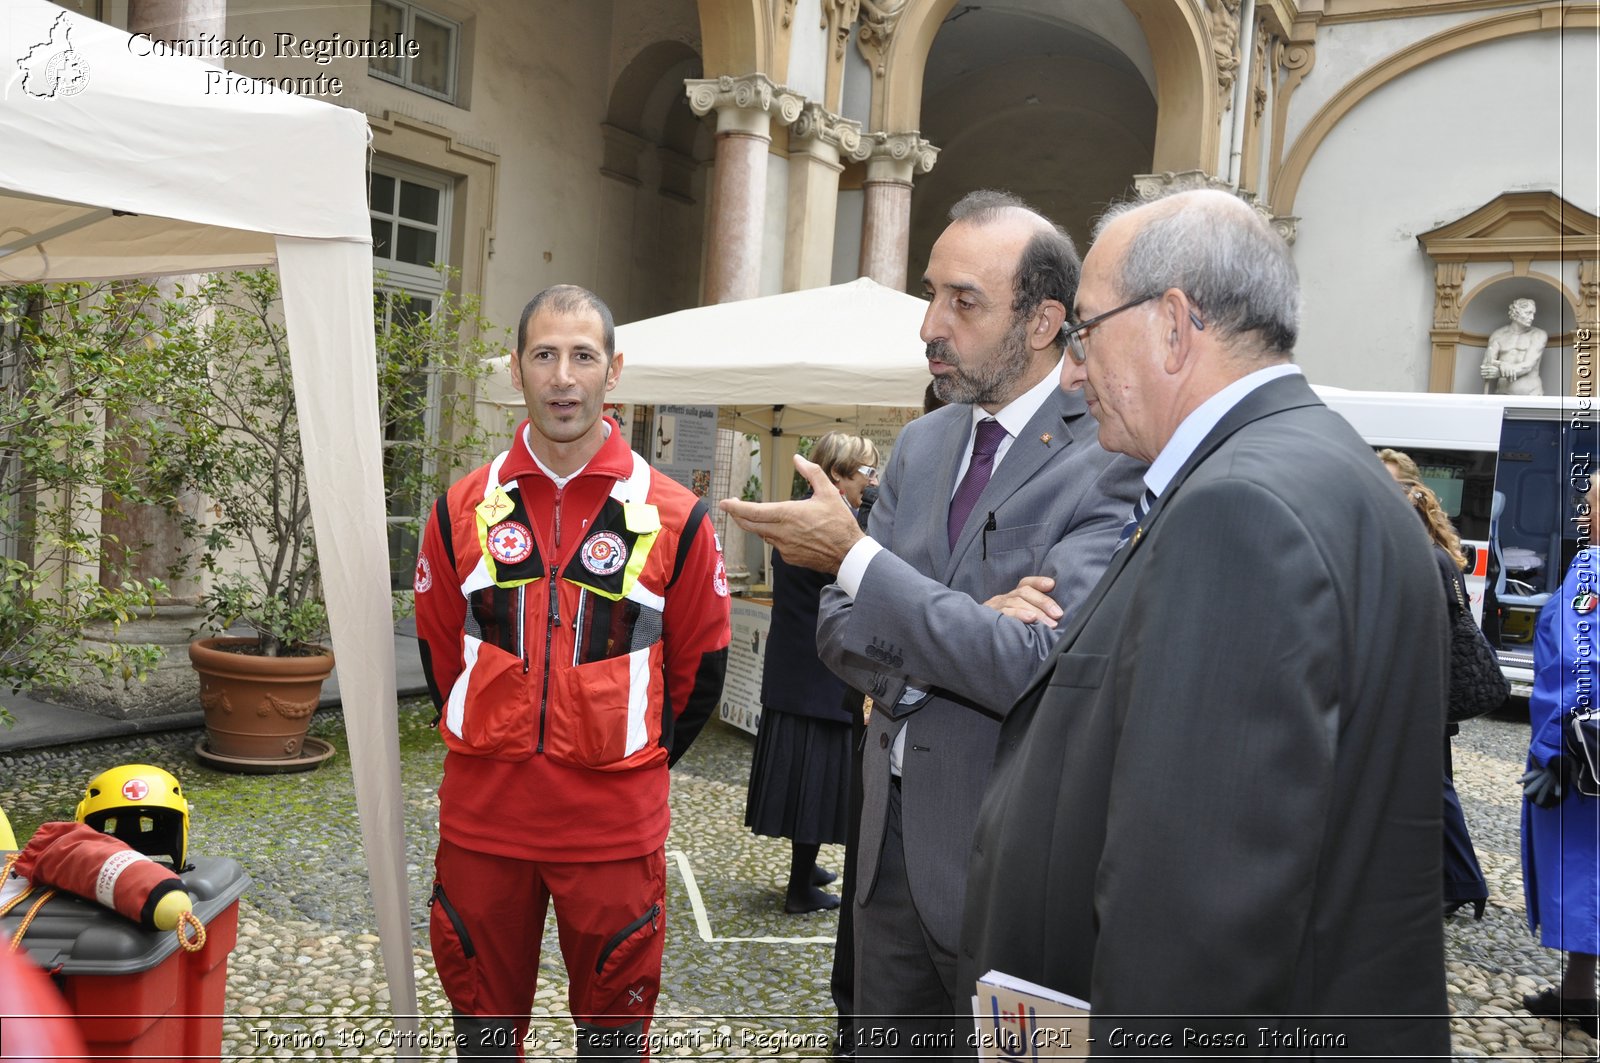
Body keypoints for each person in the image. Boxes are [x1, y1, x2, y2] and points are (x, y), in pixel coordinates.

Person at [960, 188, 1450, 1055]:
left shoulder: (1240, 511)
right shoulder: (1328, 468)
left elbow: (1195, 918)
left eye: (1084, 331)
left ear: (1174, 326)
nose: (1071, 371)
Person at [721, 189, 1144, 1055]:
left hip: (1016, 871)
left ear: (1041, 323)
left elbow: (1027, 660)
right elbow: (839, 629)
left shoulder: (1108, 456)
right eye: (930, 292)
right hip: (886, 854)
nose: (928, 325)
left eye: (963, 300)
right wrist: (948, 633)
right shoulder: (923, 444)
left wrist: (860, 561)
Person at [413, 284, 731, 1060]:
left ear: (612, 371)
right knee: (483, 1040)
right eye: (545, 355)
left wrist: (626, 765)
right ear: (518, 369)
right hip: (484, 830)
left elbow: (699, 674)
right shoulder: (461, 506)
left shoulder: (675, 513)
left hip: (613, 837)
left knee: (615, 1046)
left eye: (582, 356)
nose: (563, 376)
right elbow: (436, 653)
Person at [745, 432, 879, 915]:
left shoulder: (812, 513)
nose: (873, 480)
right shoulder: (827, 523)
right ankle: (800, 888)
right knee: (814, 783)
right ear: (837, 475)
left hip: (800, 668)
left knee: (811, 778)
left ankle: (807, 869)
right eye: (866, 471)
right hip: (813, 672)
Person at [1519, 474, 1599, 1037]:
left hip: (1582, 758)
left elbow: (1576, 665)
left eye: (1591, 505)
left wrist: (1552, 750)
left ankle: (1579, 997)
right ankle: (1578, 990)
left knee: (1580, 870)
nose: (1585, 515)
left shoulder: (1592, 571)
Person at [1393, 471, 1492, 920]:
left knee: (1435, 788)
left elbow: (1426, 632)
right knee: (1434, 786)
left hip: (1426, 691)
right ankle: (1454, 878)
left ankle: (1463, 879)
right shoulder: (1437, 556)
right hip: (1431, 689)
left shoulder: (1426, 559)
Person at [1480, 297, 1548, 396]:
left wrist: (1499, 372)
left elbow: (1528, 365)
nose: (1532, 318)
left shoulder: (1538, 335)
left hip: (1530, 393)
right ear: (1516, 312)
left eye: (1533, 314)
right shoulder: (1498, 335)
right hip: (1502, 392)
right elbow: (1487, 362)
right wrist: (1499, 365)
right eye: (1528, 313)